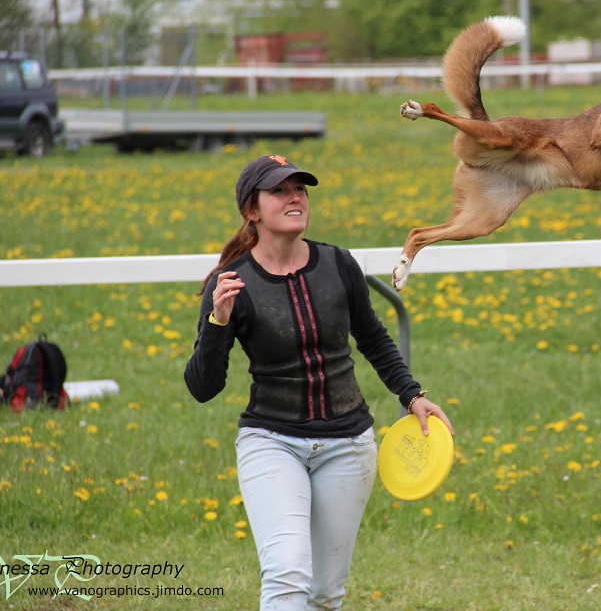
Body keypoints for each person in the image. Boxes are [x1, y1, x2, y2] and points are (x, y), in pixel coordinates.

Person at [184, 154, 453, 610]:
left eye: (300, 190)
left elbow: (373, 338)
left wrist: (413, 396)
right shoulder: (228, 283)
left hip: (348, 444)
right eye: (280, 191)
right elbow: (202, 387)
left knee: (325, 594)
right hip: (272, 441)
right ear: (252, 210)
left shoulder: (337, 263)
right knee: (287, 571)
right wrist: (217, 321)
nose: (295, 198)